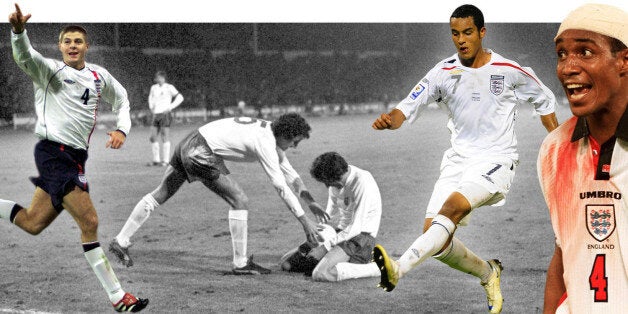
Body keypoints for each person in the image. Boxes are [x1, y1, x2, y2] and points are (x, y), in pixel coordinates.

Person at [370, 4, 559, 313]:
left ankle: (398, 268)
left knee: (451, 210)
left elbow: (544, 99)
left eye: (468, 32)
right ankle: (489, 272)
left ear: (482, 33)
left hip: (497, 160)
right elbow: (405, 107)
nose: (461, 39)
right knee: (435, 237)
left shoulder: (508, 70)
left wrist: (558, 144)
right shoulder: (443, 71)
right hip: (457, 161)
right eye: (455, 33)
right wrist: (391, 120)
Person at [0, 4, 148, 312]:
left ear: (86, 46)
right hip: (55, 153)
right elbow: (25, 56)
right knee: (90, 221)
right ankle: (118, 297)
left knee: (32, 222)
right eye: (67, 41)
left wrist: (122, 128)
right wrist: (18, 32)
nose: (72, 46)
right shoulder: (50, 70)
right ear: (60, 46)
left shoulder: (98, 75)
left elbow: (121, 99)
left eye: (77, 41)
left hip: (75, 157)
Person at [109, 113, 328, 274]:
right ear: (286, 134)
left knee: (162, 193)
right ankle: (241, 263)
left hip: (189, 142)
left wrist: (310, 201)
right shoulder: (265, 141)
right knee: (240, 200)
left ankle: (121, 239)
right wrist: (304, 222)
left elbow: (289, 172)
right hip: (200, 152)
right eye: (295, 140)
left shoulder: (269, 130)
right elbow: (280, 185)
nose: (296, 145)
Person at [539, 4, 628, 313]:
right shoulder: (554, 149)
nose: (567, 68)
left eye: (585, 52)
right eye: (562, 54)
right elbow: (564, 253)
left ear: (624, 61)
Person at [280, 152, 382, 282]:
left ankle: (375, 268)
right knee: (286, 264)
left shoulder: (362, 181)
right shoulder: (335, 183)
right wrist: (317, 236)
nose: (327, 186)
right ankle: (334, 261)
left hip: (360, 238)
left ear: (333, 178)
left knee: (320, 274)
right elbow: (330, 216)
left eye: (326, 182)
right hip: (339, 234)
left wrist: (324, 247)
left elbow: (356, 227)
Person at [148, 70, 183, 166]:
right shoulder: (153, 87)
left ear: (163, 78)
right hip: (156, 114)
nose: (156, 79)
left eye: (158, 77)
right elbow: (150, 98)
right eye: (156, 77)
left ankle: (166, 161)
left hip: (165, 114)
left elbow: (180, 97)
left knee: (164, 136)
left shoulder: (169, 87)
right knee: (153, 137)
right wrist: (151, 107)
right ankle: (156, 160)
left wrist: (170, 107)